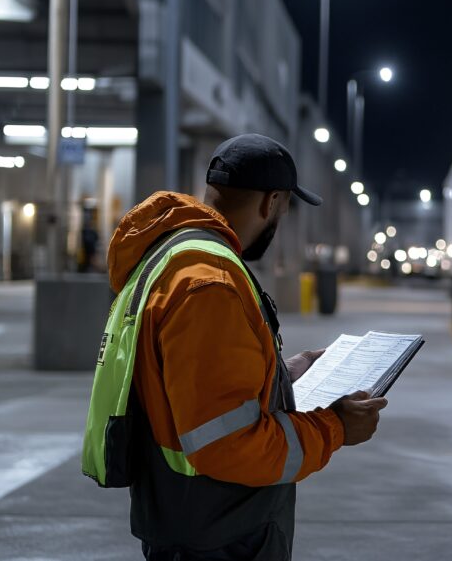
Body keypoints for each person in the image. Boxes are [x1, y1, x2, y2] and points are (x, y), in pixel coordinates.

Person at [105, 134, 387, 560]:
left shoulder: (174, 258)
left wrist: (283, 374)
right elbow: (228, 444)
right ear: (271, 202)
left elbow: (191, 387)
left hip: (191, 518)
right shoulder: (211, 284)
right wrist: (336, 427)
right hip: (221, 531)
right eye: (286, 206)